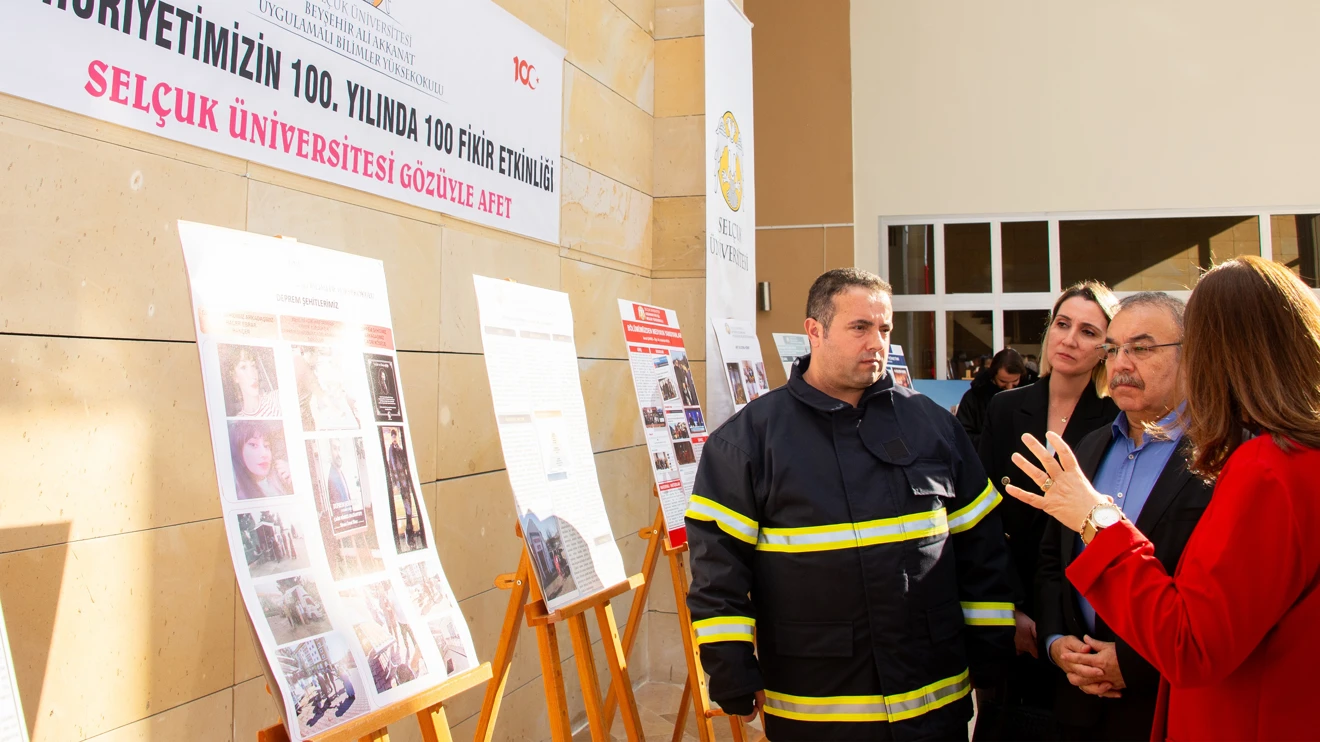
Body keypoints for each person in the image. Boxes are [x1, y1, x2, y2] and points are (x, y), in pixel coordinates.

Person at [686, 268, 1015, 740]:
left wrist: (992, 649)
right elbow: (718, 572)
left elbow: (981, 546)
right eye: (859, 327)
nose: (876, 343)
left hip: (932, 702)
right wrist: (732, 668)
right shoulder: (748, 441)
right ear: (814, 331)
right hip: (818, 708)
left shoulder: (933, 426)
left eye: (883, 329)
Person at [1006, 256, 1320, 741]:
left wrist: (1095, 518)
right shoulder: (1293, 454)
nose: (1122, 363)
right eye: (1114, 349)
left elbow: (1193, 643)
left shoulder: (1265, 466)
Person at [1034, 293, 1212, 741]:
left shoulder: (1219, 455)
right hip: (1078, 702)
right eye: (1113, 349)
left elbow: (1213, 602)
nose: (1122, 364)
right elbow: (1053, 562)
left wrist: (1131, 662)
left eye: (1143, 348)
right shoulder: (1089, 447)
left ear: (1190, 355)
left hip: (1164, 705)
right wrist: (1056, 644)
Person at [976, 281, 1120, 739]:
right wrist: (1009, 609)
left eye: (1089, 331)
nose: (1070, 339)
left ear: (1106, 349)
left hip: (1078, 620)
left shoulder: (1115, 417)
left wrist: (1056, 625)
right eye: (1062, 324)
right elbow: (983, 518)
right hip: (1009, 608)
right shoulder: (1005, 408)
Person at [957, 348, 1028, 448]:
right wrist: (991, 440)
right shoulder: (974, 397)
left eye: (1015, 381)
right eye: (1003, 381)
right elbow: (962, 436)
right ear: (993, 375)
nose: (1009, 387)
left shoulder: (1030, 394)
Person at [230, 421, 292, 500]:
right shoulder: (237, 495)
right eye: (253, 445)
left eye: (266, 446)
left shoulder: (280, 479)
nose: (264, 454)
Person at [221, 345, 281, 417]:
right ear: (235, 377)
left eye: (253, 366)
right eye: (243, 367)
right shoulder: (239, 421)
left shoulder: (275, 399)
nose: (253, 375)